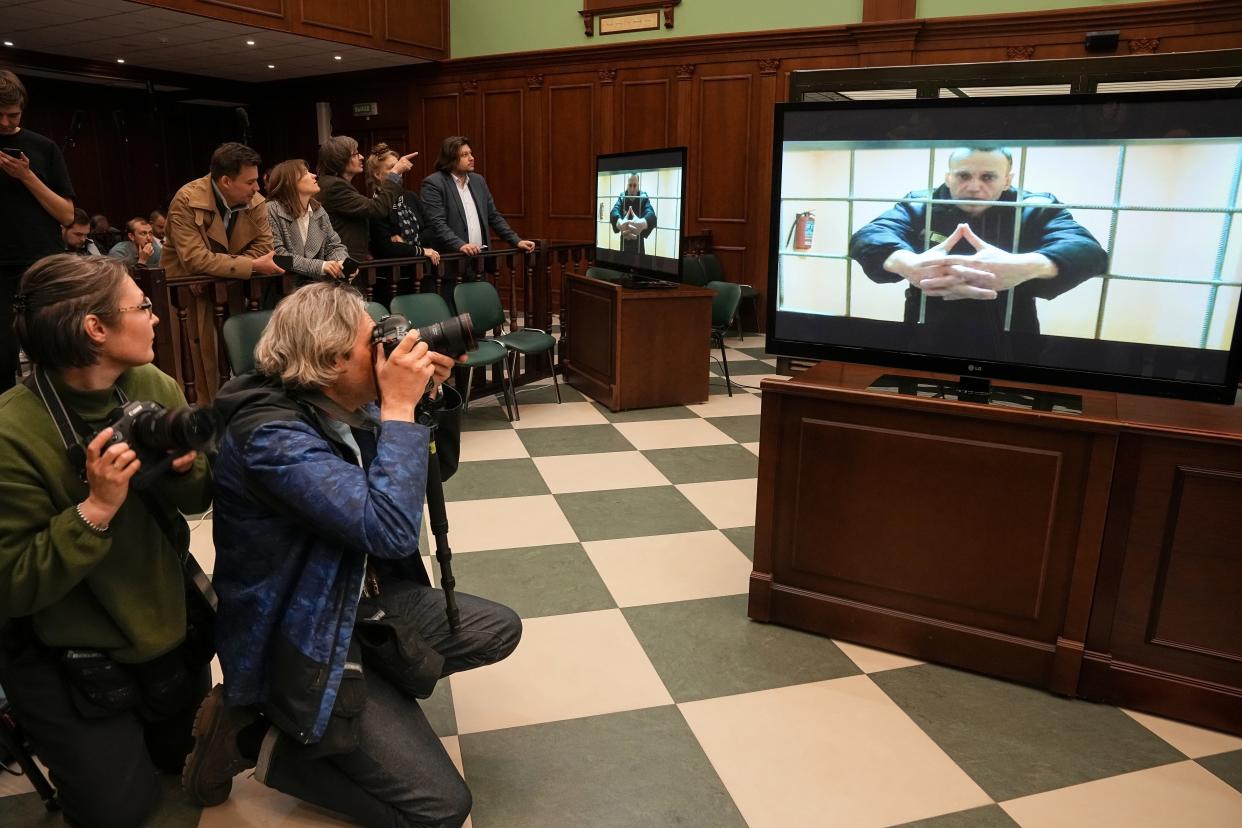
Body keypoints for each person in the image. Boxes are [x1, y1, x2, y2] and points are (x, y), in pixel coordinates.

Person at [183, 283, 521, 826]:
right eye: (373, 342)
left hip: (358, 603)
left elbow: (430, 476)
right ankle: (252, 736)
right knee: (441, 809)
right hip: (299, 635)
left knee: (498, 628)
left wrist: (422, 401)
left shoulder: (332, 400)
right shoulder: (272, 437)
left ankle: (364, 700)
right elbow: (388, 530)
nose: (387, 349)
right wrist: (398, 407)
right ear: (333, 360)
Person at [0, 254, 214, 828]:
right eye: (143, 307)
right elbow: (12, 586)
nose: (157, 319)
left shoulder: (150, 384)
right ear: (96, 329)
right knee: (119, 813)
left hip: (163, 628)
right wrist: (94, 508)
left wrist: (180, 469)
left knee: (192, 765)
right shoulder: (11, 432)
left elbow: (198, 499)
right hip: (71, 656)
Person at [848, 146, 1108, 339]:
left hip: (1010, 331)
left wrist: (1025, 265)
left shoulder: (1035, 207)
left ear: (1007, 179)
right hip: (926, 329)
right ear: (948, 177)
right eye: (963, 176)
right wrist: (908, 264)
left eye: (988, 177)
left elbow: (1088, 251)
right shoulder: (919, 203)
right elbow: (869, 236)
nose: (974, 187)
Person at [161, 142, 282, 400]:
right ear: (226, 181)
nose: (257, 188)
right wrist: (249, 266)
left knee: (234, 362)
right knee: (196, 367)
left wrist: (221, 270)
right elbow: (194, 258)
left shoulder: (256, 202)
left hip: (228, 291)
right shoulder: (187, 199)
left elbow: (264, 247)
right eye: (250, 182)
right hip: (187, 297)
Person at [0, 69, 75, 391]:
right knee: (2, 358)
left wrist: (27, 176)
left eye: (12, 115)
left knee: (58, 350)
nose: (5, 122)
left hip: (42, 262)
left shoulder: (42, 147)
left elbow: (67, 214)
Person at [420, 136, 536, 269]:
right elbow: (437, 223)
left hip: (479, 260)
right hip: (451, 262)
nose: (471, 158)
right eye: (464, 155)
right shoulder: (434, 183)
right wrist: (460, 245)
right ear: (450, 158)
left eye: (470, 153)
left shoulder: (478, 181)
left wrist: (516, 241)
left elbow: (493, 216)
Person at [317, 135, 415, 261]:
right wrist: (394, 174)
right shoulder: (335, 186)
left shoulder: (335, 184)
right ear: (340, 159)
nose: (362, 157)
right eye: (356, 154)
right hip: (340, 262)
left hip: (346, 258)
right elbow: (376, 209)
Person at [265, 158, 350, 284]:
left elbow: (334, 245)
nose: (314, 175)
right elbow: (279, 257)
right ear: (289, 182)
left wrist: (341, 263)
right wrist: (320, 266)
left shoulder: (318, 210)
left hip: (315, 290)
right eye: (305, 173)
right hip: (283, 290)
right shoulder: (271, 210)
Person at [366, 143, 442, 267]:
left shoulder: (410, 197)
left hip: (421, 270)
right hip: (392, 274)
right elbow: (385, 248)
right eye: (392, 168)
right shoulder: (375, 204)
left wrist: (406, 242)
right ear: (377, 174)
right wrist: (420, 249)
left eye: (399, 166)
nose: (399, 171)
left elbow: (431, 231)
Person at [609, 173, 657, 257]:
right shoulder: (622, 196)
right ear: (626, 185)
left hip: (639, 242)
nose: (632, 189)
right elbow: (614, 212)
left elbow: (652, 215)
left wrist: (642, 223)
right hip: (624, 241)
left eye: (635, 185)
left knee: (640, 265)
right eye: (630, 185)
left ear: (639, 186)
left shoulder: (643, 196)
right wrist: (619, 223)